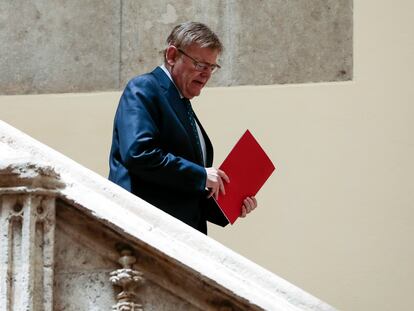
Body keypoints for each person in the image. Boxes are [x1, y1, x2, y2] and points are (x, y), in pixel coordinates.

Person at [109, 21, 257, 234]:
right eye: (200, 64)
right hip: (146, 230)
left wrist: (230, 205)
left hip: (182, 236)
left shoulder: (181, 102)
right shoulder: (144, 88)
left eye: (212, 67)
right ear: (171, 56)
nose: (206, 74)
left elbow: (184, 189)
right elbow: (139, 154)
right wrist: (201, 175)